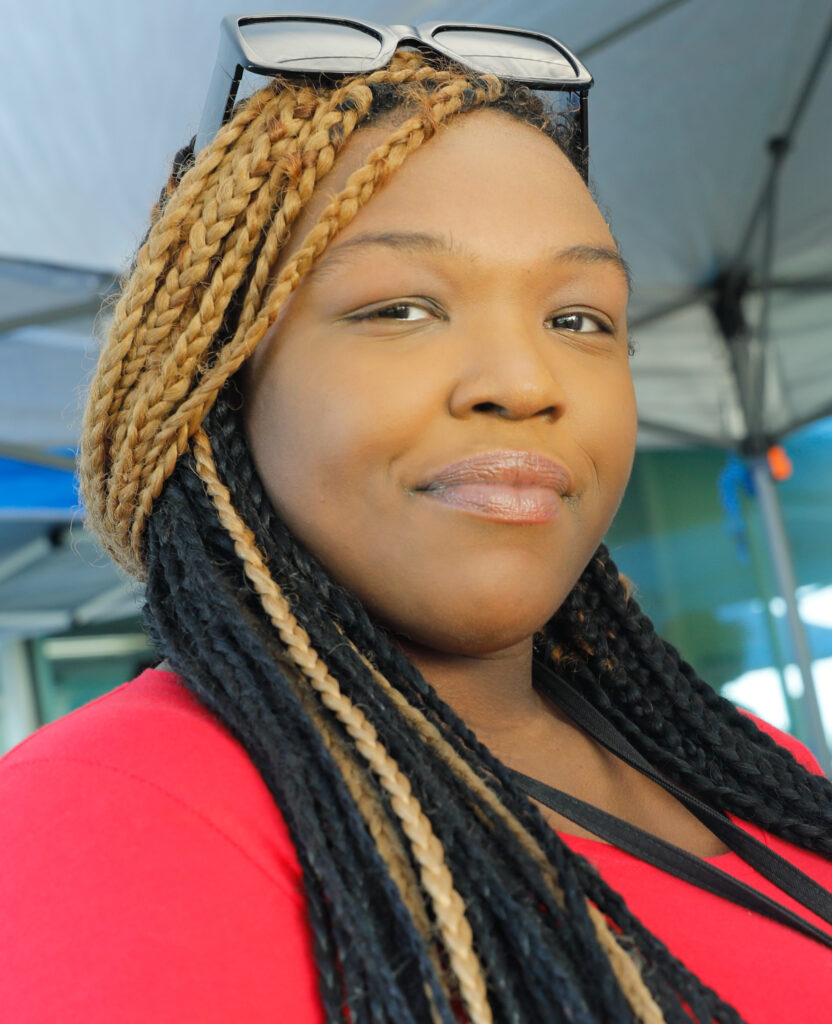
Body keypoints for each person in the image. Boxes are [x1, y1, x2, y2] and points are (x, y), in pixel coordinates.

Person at [2, 17, 831, 1024]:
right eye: (399, 309)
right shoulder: (105, 816)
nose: (524, 381)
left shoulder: (751, 763)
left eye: (577, 318)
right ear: (216, 385)